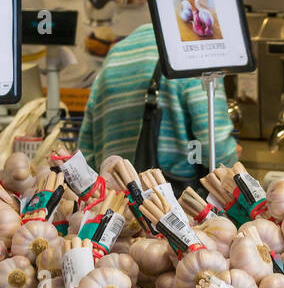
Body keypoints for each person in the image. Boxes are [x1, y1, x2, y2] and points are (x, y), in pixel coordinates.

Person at [78, 23, 238, 183]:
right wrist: (231, 163)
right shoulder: (190, 52)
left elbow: (86, 151)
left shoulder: (115, 55)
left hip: (114, 199)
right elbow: (215, 144)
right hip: (174, 201)